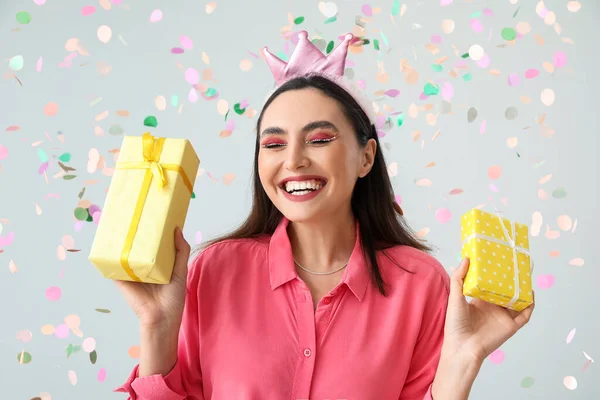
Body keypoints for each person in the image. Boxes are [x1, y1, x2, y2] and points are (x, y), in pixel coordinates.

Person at [113, 31, 535, 400]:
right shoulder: (214, 270)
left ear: (366, 156)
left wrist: (463, 357)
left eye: (318, 139)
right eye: (274, 144)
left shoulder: (421, 284)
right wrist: (157, 326)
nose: (294, 161)